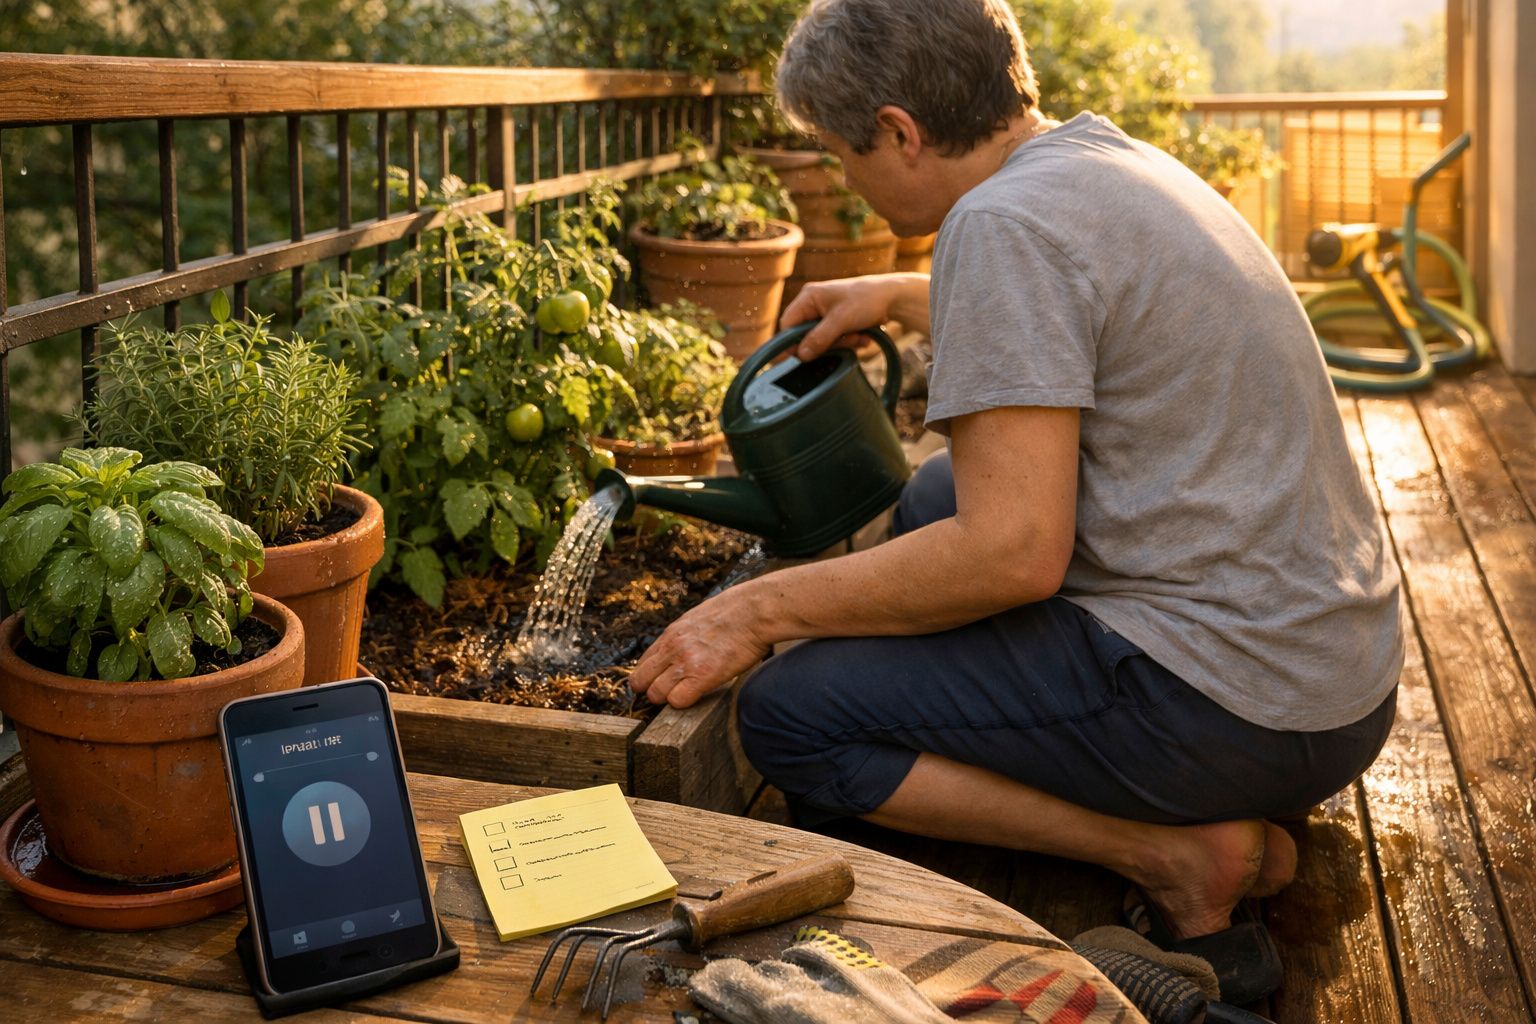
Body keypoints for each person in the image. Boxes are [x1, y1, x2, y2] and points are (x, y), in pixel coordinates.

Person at [628, 0, 1401, 944]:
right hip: (1335, 676)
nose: (845, 181)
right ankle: (1172, 788)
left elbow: (1014, 555)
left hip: (1238, 709)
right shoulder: (1099, 160)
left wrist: (754, 612)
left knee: (792, 713)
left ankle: (1168, 853)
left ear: (899, 132)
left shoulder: (999, 225)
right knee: (935, 493)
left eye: (839, 152)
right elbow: (1083, 312)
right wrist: (900, 295)